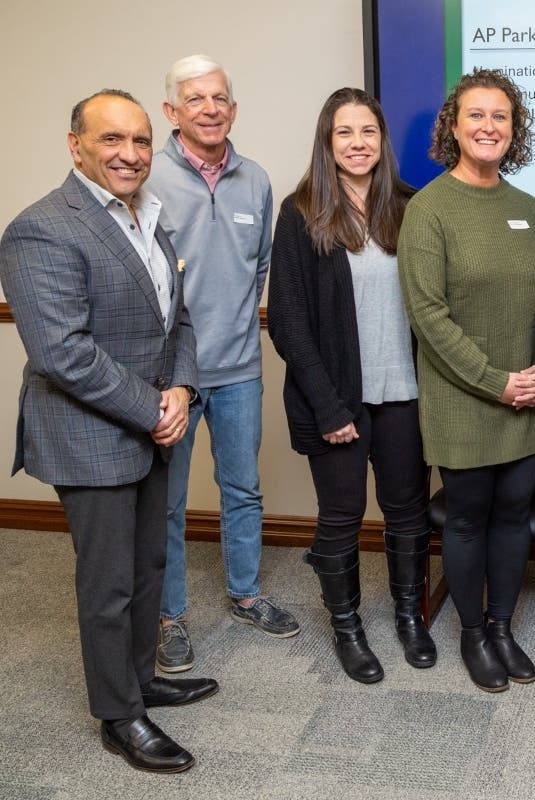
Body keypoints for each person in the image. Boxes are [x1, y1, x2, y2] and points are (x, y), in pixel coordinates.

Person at [0, 90, 218, 773]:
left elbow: (175, 321)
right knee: (108, 582)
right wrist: (156, 408)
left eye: (141, 141)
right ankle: (118, 714)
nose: (130, 154)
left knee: (148, 563)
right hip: (90, 432)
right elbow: (62, 352)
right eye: (111, 140)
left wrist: (181, 389)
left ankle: (140, 680)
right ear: (76, 145)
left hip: (155, 421)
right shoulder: (41, 228)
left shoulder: (149, 218)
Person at [268, 88, 436, 683]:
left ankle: (410, 620)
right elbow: (287, 320)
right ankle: (347, 629)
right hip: (336, 400)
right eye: (345, 133)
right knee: (340, 516)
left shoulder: (412, 207)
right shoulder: (301, 213)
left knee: (408, 512)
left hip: (406, 394)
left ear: (382, 141)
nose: (358, 143)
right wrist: (328, 406)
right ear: (327, 141)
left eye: (368, 132)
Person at [398, 69, 535, 693]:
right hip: (465, 399)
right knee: (467, 519)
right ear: (453, 127)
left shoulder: (526, 207)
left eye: (501, 117)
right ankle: (470, 633)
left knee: (514, 516)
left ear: (513, 131)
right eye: (476, 116)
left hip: (528, 397)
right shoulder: (429, 209)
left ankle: (501, 626)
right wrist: (496, 382)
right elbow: (428, 315)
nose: (489, 127)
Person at [147, 54, 299, 674]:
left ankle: (245, 594)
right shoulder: (146, 176)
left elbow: (257, 269)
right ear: (171, 112)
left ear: (233, 110)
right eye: (195, 99)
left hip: (238, 367)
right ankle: (169, 617)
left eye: (219, 99)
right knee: (168, 501)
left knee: (243, 489)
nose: (209, 109)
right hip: (168, 376)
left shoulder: (256, 180)